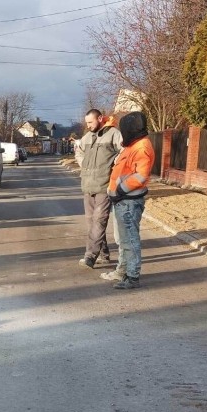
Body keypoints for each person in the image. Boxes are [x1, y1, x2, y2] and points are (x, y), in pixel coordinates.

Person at [102, 111, 154, 289]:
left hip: (129, 201)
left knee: (130, 240)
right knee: (123, 240)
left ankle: (132, 276)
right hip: (122, 200)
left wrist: (120, 190)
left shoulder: (142, 147)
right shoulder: (133, 145)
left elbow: (140, 176)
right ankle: (122, 271)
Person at [75, 109, 123, 269]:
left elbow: (124, 153)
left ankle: (90, 255)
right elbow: (79, 153)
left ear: (100, 118)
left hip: (105, 186)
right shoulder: (87, 137)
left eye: (91, 122)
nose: (88, 126)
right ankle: (104, 254)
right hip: (88, 186)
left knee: (99, 221)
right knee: (91, 223)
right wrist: (84, 165)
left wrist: (113, 166)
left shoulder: (114, 134)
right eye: (87, 123)